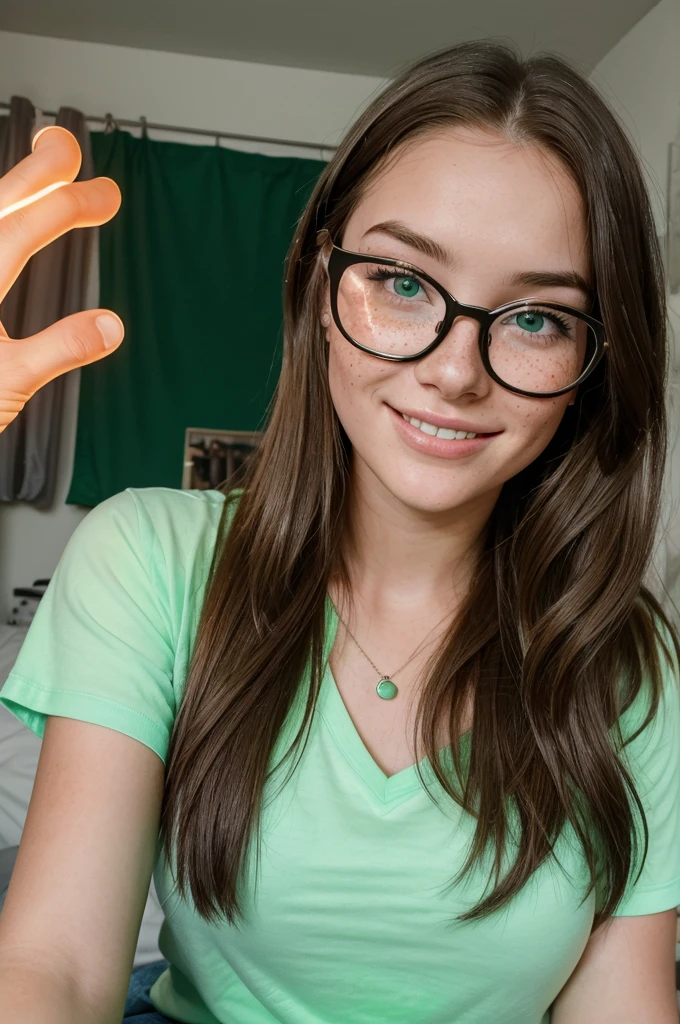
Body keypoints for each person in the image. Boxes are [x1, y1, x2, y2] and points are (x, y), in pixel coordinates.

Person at [0, 38, 679, 1024]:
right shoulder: (148, 556)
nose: (455, 369)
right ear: (321, 286)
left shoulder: (628, 661)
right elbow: (52, 966)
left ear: (590, 365)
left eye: (534, 317)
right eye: (403, 282)